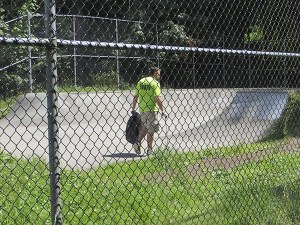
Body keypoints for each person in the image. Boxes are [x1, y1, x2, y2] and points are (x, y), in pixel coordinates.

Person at [131, 67, 166, 155]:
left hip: (142, 109)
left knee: (145, 128)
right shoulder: (155, 83)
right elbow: (157, 98)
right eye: (158, 74)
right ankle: (149, 150)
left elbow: (136, 96)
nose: (159, 76)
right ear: (154, 73)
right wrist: (162, 110)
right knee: (151, 130)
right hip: (151, 110)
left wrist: (133, 108)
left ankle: (137, 142)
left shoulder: (141, 81)